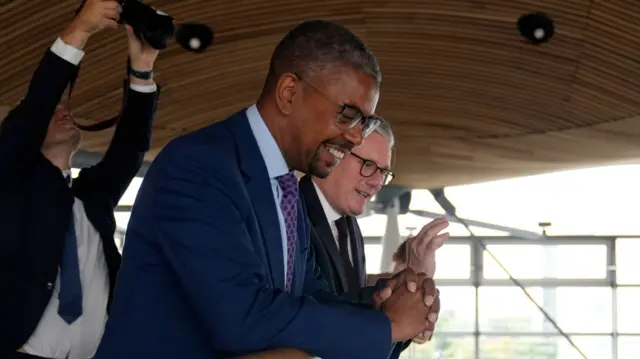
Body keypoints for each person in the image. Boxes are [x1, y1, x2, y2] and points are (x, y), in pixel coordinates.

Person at [93, 19, 438, 359]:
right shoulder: (199, 166)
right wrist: (388, 326)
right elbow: (241, 317)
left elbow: (310, 297)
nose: (356, 137)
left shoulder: (285, 186)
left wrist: (387, 300)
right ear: (289, 93)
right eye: (348, 115)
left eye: (366, 123)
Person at [0, 1, 161, 358]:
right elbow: (36, 107)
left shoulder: (90, 199)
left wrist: (143, 67)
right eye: (53, 112)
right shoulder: (10, 184)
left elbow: (131, 147)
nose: (63, 111)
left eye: (64, 108)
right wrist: (80, 30)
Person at [299, 120, 448, 357]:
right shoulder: (292, 217)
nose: (377, 182)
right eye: (368, 165)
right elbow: (310, 319)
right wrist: (397, 318)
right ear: (333, 155)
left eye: (384, 172)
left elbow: (353, 320)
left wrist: (412, 309)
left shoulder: (349, 227)